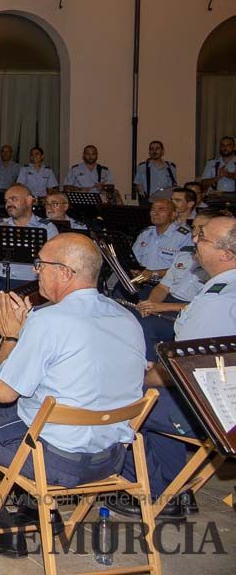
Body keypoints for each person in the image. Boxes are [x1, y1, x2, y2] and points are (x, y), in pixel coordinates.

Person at [0, 233, 146, 556]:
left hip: (57, 460)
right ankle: (37, 506)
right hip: (111, 457)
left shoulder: (49, 320)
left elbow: (1, 392)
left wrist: (11, 338)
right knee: (17, 407)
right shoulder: (128, 318)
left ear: (66, 272)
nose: (35, 271)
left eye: (41, 264)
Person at [106, 214, 236, 521]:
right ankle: (175, 490)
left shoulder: (219, 301)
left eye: (202, 238)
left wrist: (142, 376)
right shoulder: (221, 288)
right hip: (217, 395)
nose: (194, 240)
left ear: (225, 254)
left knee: (109, 399)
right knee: (156, 400)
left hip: (219, 412)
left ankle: (154, 492)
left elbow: (179, 371)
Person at [0, 185, 59, 358]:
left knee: (16, 298)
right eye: (7, 200)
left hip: (31, 282)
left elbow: (53, 260)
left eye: (14, 199)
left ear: (29, 200)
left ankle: (19, 341)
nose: (9, 203)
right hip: (1, 278)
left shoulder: (47, 228)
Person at [131, 210, 219, 363]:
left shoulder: (218, 263)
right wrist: (151, 304)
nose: (195, 233)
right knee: (129, 317)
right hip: (167, 301)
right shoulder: (184, 255)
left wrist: (161, 307)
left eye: (201, 229)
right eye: (194, 228)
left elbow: (205, 306)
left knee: (146, 326)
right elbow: (163, 287)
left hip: (187, 311)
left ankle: (150, 370)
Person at [130, 198, 192, 282]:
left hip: (166, 284)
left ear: (173, 215)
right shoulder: (145, 233)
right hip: (140, 280)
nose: (155, 213)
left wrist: (154, 274)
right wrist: (134, 271)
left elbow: (184, 268)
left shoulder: (184, 236)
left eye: (161, 209)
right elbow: (133, 259)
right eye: (153, 209)